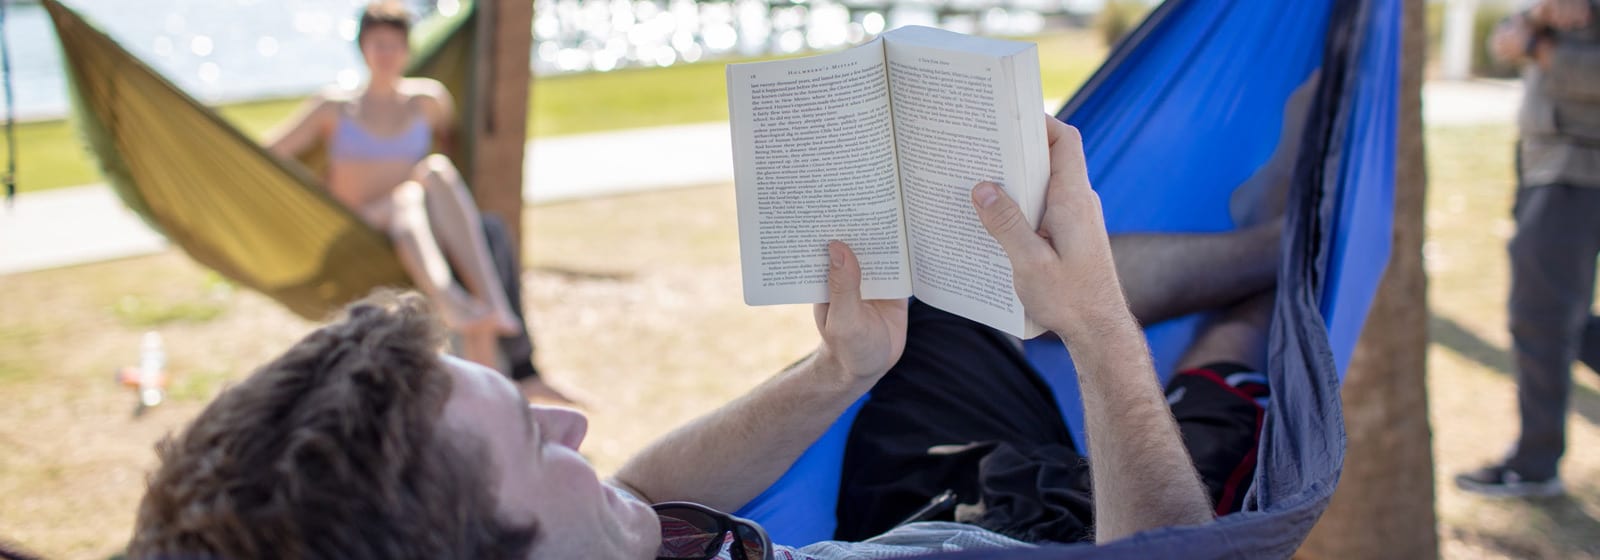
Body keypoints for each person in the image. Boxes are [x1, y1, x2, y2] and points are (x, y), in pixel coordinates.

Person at [125, 116, 1292, 559]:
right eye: (540, 446)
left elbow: (632, 489)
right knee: (1237, 368)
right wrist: (1094, 333)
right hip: (1092, 535)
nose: (574, 415)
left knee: (939, 287)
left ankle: (1255, 245)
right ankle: (1273, 260)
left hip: (913, 519)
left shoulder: (596, 545)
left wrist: (841, 370)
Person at [263, 1, 573, 403]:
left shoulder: (428, 101)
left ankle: (486, 307)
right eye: (378, 45)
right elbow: (271, 154)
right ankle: (454, 300)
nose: (386, 55)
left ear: (408, 50)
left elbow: (454, 144)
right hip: (359, 224)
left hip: (414, 219)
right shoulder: (335, 107)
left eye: (394, 45)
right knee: (408, 196)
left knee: (436, 172)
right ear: (362, 49)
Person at [1456, 0, 1600, 498]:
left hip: (1578, 174)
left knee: (1543, 318)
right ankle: (1536, 462)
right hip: (1544, 167)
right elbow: (1503, 43)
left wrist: (1540, 47)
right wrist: (1536, 24)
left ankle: (1535, 464)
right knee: (1561, 319)